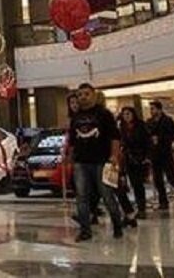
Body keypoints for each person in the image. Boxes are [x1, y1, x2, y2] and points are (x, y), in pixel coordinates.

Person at [65, 83, 124, 242]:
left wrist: (114, 156)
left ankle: (117, 225)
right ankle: (85, 230)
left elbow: (115, 137)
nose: (83, 97)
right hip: (81, 162)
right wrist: (70, 158)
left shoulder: (104, 114)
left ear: (93, 95)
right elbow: (72, 140)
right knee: (82, 196)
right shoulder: (76, 117)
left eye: (86, 94)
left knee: (107, 195)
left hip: (102, 161)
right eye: (80, 94)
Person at [146, 101, 174, 210]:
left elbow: (173, 135)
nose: (151, 111)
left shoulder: (167, 120)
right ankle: (163, 201)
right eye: (151, 109)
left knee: (171, 177)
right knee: (158, 179)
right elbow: (146, 136)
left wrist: (160, 139)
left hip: (165, 153)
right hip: (154, 154)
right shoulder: (149, 122)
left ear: (159, 109)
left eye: (153, 109)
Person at [118, 106, 151, 220]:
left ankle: (142, 208)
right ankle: (139, 206)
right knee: (134, 183)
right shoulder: (122, 127)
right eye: (124, 114)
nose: (126, 116)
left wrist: (147, 156)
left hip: (140, 157)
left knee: (139, 184)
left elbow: (147, 141)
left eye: (128, 114)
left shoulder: (141, 126)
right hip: (128, 158)